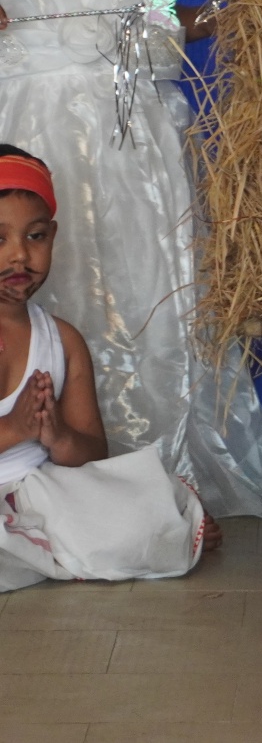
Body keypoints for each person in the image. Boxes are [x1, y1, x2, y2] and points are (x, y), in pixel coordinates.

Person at [0, 0, 262, 518]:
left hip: (134, 136)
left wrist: (244, 4)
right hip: (36, 127)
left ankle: (160, 476)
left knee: (148, 286)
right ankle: (40, 464)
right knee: (47, 267)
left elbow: (156, 16)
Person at [0, 145, 215, 591]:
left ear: (53, 235)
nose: (19, 255)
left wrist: (57, 436)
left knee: (137, 519)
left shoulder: (62, 341)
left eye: (35, 236)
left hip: (35, 494)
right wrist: (14, 428)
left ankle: (162, 525)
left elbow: (92, 454)